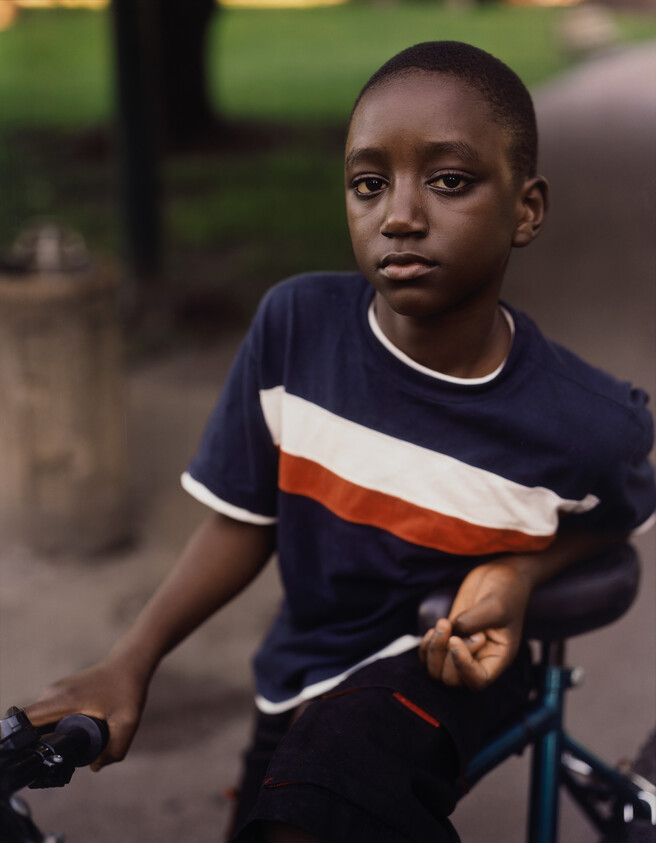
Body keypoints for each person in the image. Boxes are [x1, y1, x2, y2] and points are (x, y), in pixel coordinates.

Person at [24, 42, 656, 843]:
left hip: (453, 667)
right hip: (300, 673)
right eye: (368, 184)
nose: (398, 214)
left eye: (449, 180)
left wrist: (519, 570)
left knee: (335, 778)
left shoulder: (583, 417)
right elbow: (245, 519)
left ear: (526, 209)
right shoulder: (295, 330)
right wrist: (132, 659)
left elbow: (622, 504)